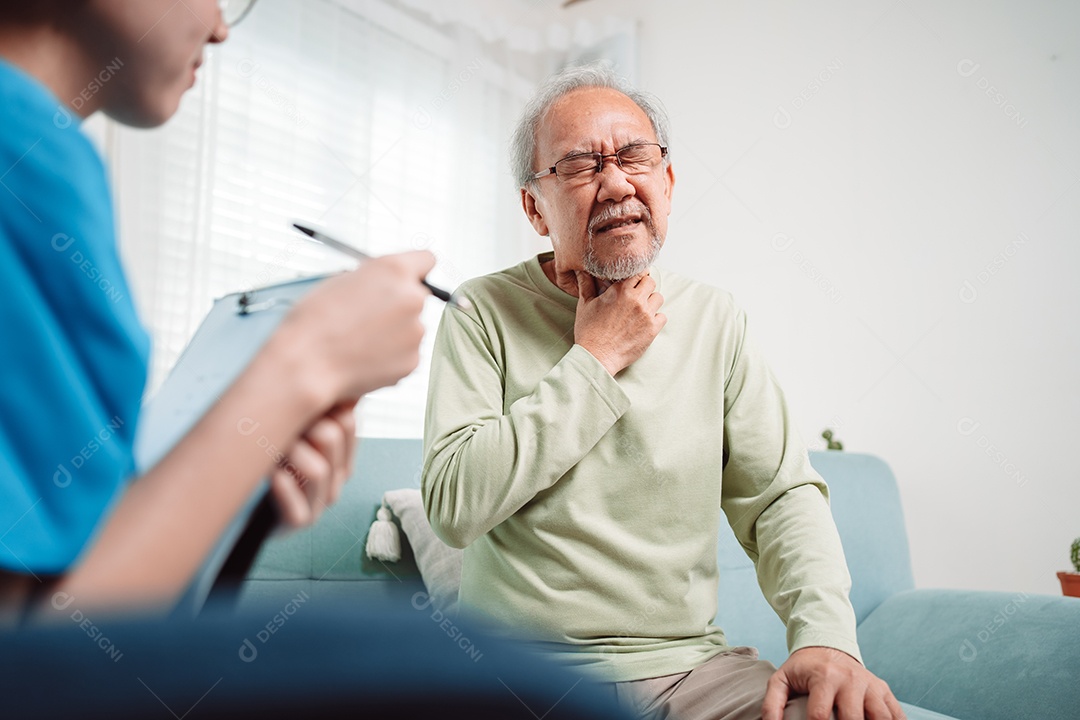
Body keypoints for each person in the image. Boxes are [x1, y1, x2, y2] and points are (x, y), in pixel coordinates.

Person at [422, 64, 907, 720]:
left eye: (635, 157)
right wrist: (597, 357)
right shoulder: (480, 311)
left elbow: (778, 499)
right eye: (581, 165)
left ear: (667, 184)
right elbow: (453, 505)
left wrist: (826, 638)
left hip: (692, 673)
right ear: (535, 208)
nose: (617, 183)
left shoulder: (715, 319)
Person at [0, 0, 434, 617]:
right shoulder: (27, 151)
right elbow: (53, 646)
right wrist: (304, 365)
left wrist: (235, 471)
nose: (222, 29)